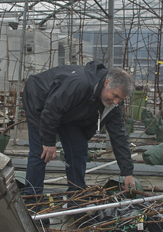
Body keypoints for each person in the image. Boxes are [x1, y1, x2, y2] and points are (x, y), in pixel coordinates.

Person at [22, 61, 135, 199]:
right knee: (41, 153)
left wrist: (127, 172)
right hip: (39, 100)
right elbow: (52, 109)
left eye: (120, 99)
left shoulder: (113, 105)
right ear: (106, 83)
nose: (116, 102)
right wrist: (48, 141)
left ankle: (76, 197)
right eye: (115, 95)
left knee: (78, 148)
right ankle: (32, 201)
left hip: (66, 111)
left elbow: (119, 136)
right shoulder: (80, 83)